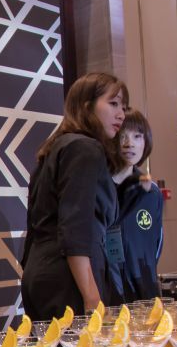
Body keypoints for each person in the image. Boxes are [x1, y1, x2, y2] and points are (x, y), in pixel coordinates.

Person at [21, 72, 126, 319]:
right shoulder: (85, 148)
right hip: (71, 279)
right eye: (113, 104)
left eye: (123, 106)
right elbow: (75, 228)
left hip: (43, 274)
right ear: (86, 106)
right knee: (82, 345)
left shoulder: (56, 147)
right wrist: (91, 296)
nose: (121, 114)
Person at [108, 110, 163, 303]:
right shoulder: (100, 188)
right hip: (108, 292)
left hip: (144, 291)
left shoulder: (152, 192)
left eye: (137, 136)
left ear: (145, 142)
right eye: (122, 136)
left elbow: (156, 246)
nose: (129, 143)